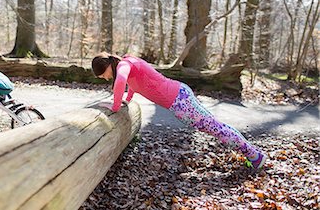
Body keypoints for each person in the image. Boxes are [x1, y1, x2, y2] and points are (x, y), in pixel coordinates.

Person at [91, 52, 267, 170]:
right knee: (215, 126)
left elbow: (121, 80)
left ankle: (255, 155)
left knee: (216, 128)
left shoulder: (123, 66)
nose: (107, 78)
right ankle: (252, 154)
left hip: (179, 100)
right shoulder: (127, 64)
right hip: (179, 97)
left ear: (107, 66)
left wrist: (114, 106)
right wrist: (125, 100)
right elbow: (134, 85)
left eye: (104, 75)